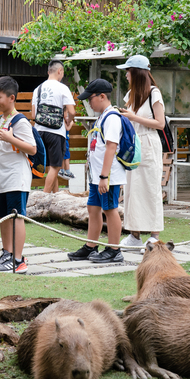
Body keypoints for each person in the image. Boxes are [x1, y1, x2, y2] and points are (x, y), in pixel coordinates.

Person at [67, 79, 125, 263]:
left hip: (107, 176)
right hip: (97, 176)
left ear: (102, 96)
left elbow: (111, 147)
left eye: (90, 99)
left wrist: (104, 177)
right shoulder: (102, 116)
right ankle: (91, 246)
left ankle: (114, 249)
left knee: (110, 209)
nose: (89, 103)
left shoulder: (112, 117)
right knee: (93, 208)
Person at [0, 76, 36, 273]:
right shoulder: (1, 119)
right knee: (4, 217)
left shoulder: (20, 121)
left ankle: (18, 258)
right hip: (3, 176)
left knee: (16, 217)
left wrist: (9, 137)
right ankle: (7, 253)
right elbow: (6, 146)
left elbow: (31, 149)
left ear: (11, 97)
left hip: (17, 176)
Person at [115, 55, 165, 250]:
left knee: (151, 188)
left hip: (149, 143)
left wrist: (133, 116)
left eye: (128, 71)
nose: (126, 74)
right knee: (132, 190)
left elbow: (160, 124)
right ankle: (134, 235)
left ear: (136, 72)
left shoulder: (154, 93)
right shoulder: (130, 95)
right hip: (133, 144)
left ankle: (154, 235)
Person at [32, 60, 75, 193]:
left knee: (50, 166)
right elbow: (72, 111)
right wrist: (69, 122)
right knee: (56, 166)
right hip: (57, 132)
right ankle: (44, 196)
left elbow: (34, 115)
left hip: (39, 132)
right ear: (59, 71)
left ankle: (55, 195)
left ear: (48, 72)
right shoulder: (63, 88)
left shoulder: (37, 89)